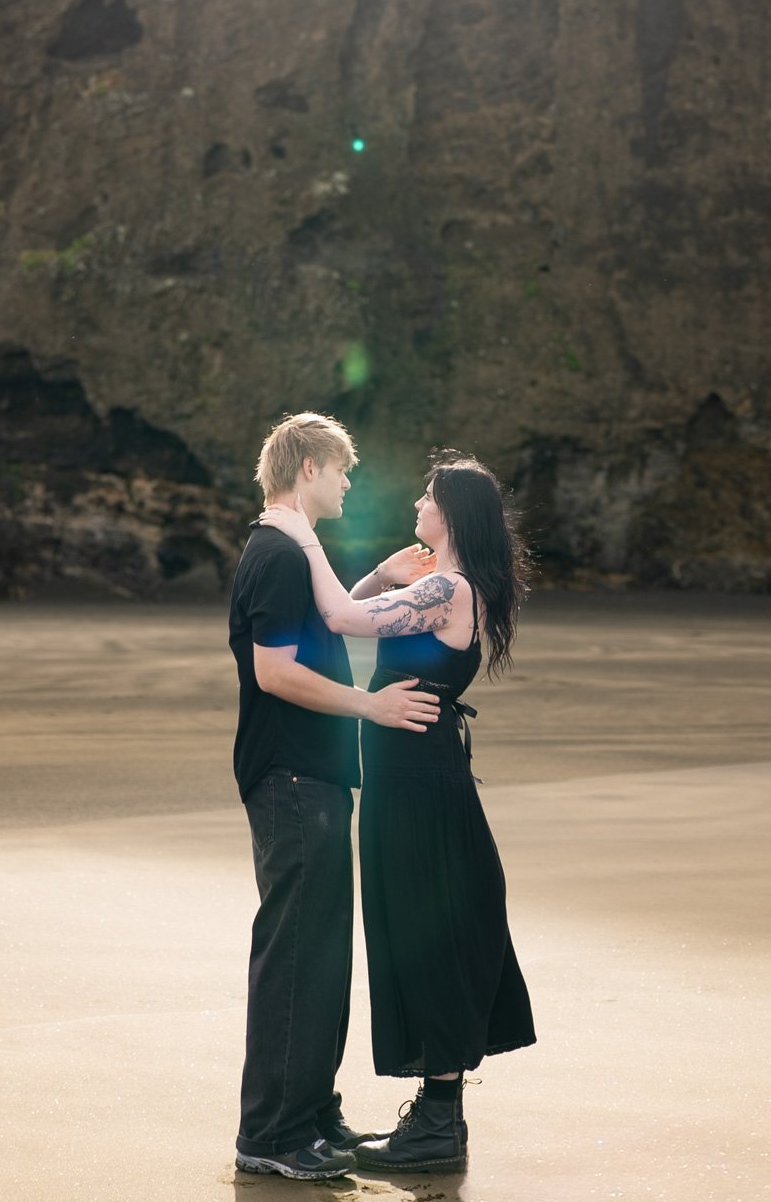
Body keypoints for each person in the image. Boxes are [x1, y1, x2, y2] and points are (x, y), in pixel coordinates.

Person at [263, 452, 536, 1175]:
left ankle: (438, 1127)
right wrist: (385, 575)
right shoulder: (439, 583)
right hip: (409, 775)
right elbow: (355, 620)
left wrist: (301, 537)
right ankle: (436, 1121)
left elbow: (339, 615)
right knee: (412, 927)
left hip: (420, 782)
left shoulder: (448, 587)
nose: (417, 502)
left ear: (449, 514)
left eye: (428, 495)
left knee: (426, 931)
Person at [227, 411, 442, 1182]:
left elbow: (325, 623)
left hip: (308, 775)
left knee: (320, 952)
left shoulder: (291, 548)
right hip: (290, 776)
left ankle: (310, 1113)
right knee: (295, 955)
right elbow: (275, 672)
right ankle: (273, 1135)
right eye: (342, 470)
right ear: (308, 468)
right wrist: (373, 708)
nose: (349, 483)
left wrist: (379, 582)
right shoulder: (278, 552)